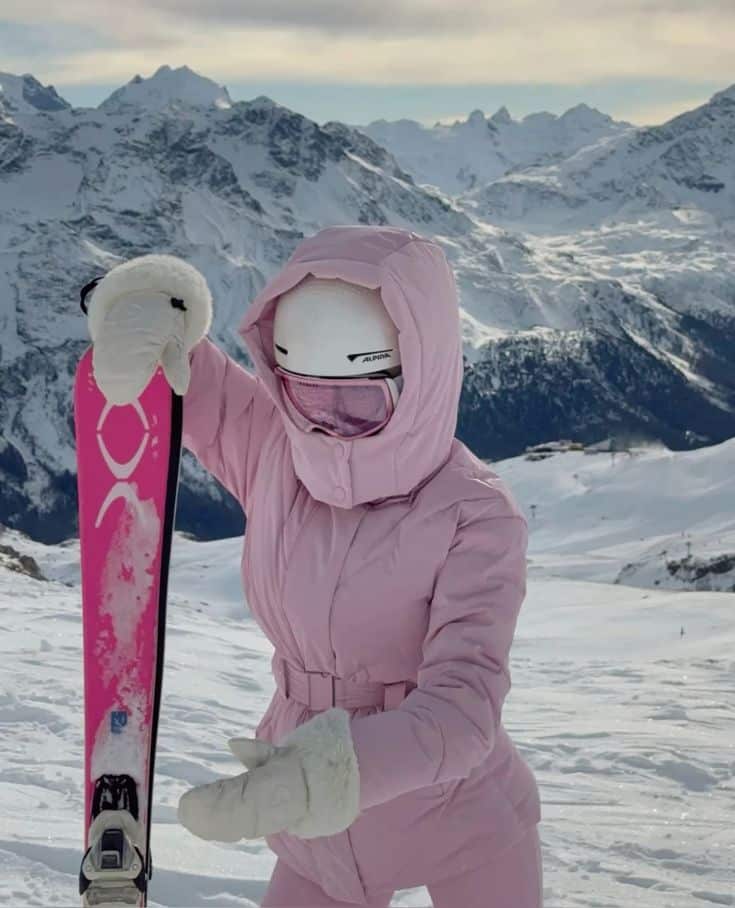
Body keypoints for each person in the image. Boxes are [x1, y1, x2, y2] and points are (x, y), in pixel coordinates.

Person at [86, 225, 542, 907]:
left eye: (358, 401)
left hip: (456, 817)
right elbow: (196, 374)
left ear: (417, 379)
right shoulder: (281, 450)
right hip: (314, 830)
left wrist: (315, 776)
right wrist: (148, 314)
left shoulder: (474, 515)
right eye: (303, 394)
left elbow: (461, 711)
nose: (326, 426)